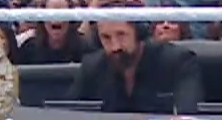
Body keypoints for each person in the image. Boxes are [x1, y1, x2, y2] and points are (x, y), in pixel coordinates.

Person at [66, 20, 204, 114]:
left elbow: (187, 117)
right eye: (106, 37)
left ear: (139, 33)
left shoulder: (179, 61)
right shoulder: (92, 67)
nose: (115, 46)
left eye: (121, 35)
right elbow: (68, 113)